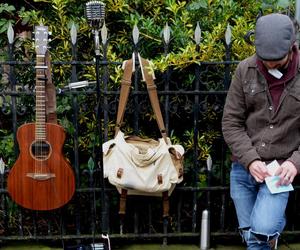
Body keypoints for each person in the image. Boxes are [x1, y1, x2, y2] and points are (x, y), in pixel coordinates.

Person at [222, 13, 299, 250]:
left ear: (292, 47)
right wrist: (250, 160)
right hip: (244, 168)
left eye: (277, 60)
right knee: (252, 239)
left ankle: (271, 229)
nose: (270, 65)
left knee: (262, 232)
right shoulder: (245, 69)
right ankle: (268, 234)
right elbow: (231, 122)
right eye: (265, 59)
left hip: (279, 173)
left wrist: (295, 162)